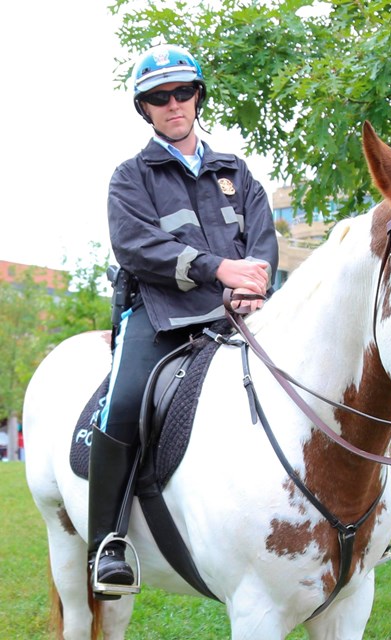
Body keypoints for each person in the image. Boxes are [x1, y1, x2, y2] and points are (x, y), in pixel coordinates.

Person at [88, 43, 279, 599]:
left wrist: (253, 287)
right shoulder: (130, 177)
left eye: (183, 92)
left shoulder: (236, 172)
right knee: (122, 405)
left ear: (198, 97)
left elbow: (262, 241)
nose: (173, 104)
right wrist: (221, 270)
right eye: (158, 97)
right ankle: (108, 543)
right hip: (162, 315)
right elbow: (137, 247)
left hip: (240, 315)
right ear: (144, 108)